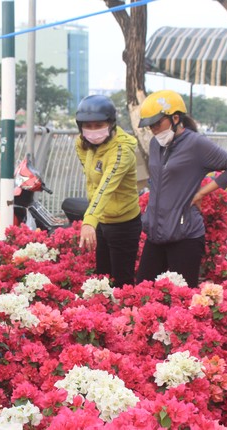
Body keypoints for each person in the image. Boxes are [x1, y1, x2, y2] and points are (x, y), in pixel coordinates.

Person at [136, 90, 227, 288]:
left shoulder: (197, 144)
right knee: (143, 290)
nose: (153, 129)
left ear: (175, 118)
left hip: (185, 235)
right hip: (156, 232)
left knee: (182, 299)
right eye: (150, 126)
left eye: (157, 123)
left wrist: (201, 193)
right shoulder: (155, 144)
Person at [74, 95, 142, 288]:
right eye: (88, 126)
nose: (93, 131)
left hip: (123, 224)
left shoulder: (121, 152)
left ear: (111, 123)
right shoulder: (82, 143)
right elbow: (90, 175)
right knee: (102, 279)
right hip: (103, 220)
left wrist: (89, 221)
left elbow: (105, 187)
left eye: (99, 125)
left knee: (121, 283)